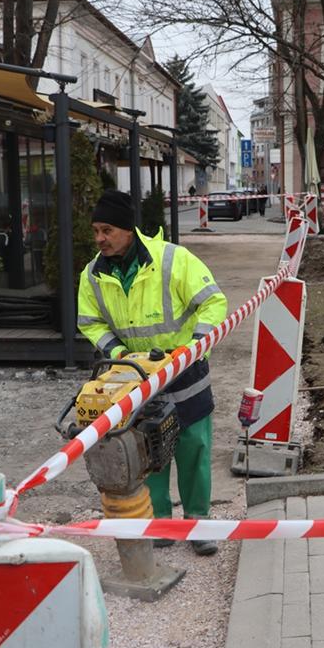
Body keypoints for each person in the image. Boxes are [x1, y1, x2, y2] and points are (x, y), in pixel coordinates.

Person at [77, 189, 227, 556]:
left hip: (185, 372)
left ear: (128, 229)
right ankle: (160, 523)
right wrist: (118, 354)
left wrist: (192, 348)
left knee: (193, 447)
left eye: (107, 229)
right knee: (149, 450)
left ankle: (198, 523)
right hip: (137, 376)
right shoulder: (93, 274)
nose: (100, 238)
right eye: (96, 230)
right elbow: (89, 321)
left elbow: (213, 303)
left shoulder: (173, 260)